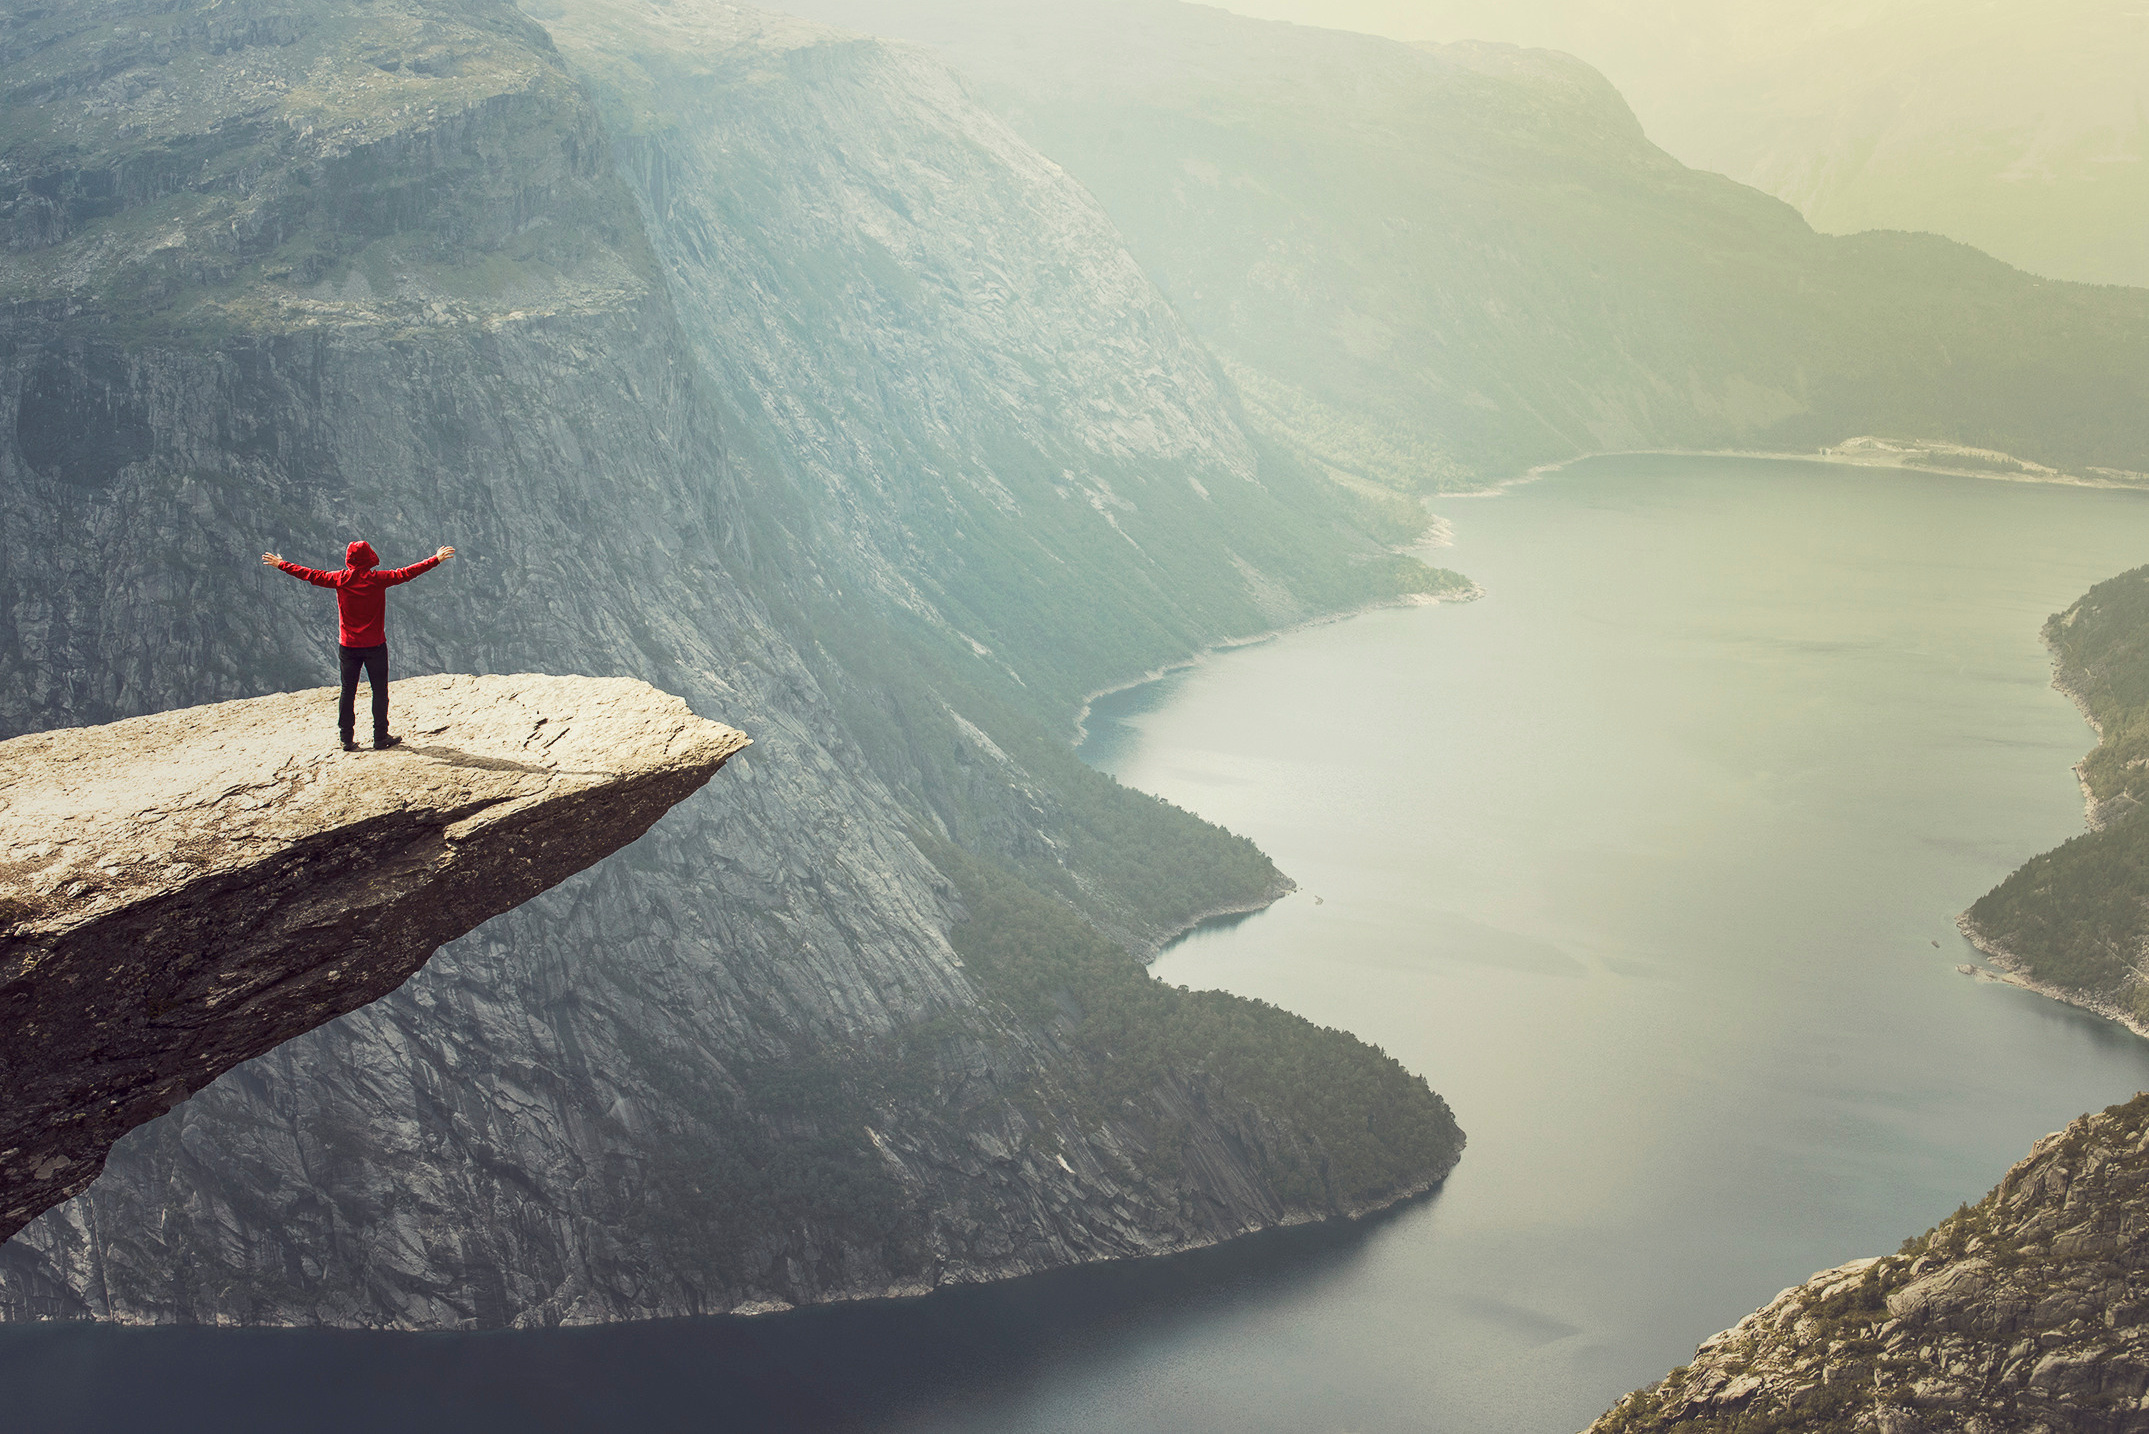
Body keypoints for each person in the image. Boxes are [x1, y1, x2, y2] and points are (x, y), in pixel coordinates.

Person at [262, 540, 455, 751]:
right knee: (379, 691)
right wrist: (435, 560)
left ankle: (346, 739)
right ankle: (380, 736)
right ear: (369, 557)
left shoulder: (339, 579)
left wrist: (282, 564)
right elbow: (406, 573)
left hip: (348, 646)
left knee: (348, 691)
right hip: (375, 646)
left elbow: (309, 574)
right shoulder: (378, 579)